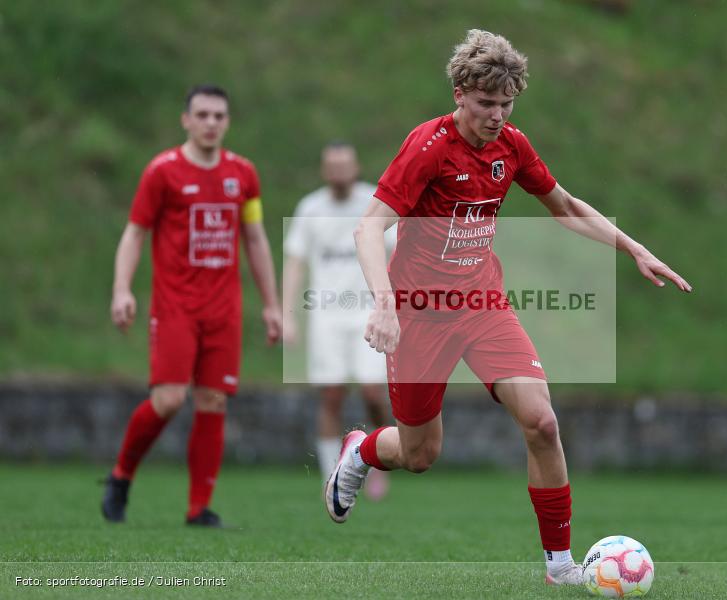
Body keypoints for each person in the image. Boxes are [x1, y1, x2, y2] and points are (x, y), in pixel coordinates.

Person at [324, 30, 691, 585]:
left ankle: (561, 566)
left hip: (482, 304)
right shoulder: (427, 146)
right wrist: (383, 304)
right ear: (459, 94)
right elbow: (369, 226)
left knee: (543, 423)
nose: (497, 115)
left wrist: (634, 248)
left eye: (506, 104)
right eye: (486, 104)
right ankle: (361, 450)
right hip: (419, 313)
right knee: (420, 453)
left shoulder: (512, 146)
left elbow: (565, 207)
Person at [102, 84, 282, 527]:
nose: (210, 123)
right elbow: (135, 232)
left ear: (228, 122)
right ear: (186, 120)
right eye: (201, 115)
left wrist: (272, 304)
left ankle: (198, 507)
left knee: (214, 401)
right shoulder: (162, 172)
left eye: (218, 116)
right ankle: (121, 475)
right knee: (167, 399)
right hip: (175, 306)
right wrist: (122, 289)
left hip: (224, 309)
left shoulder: (243, 174)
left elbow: (255, 238)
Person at [283, 142, 395, 499]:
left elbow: (395, 252)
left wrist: (396, 303)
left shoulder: (372, 201)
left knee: (372, 392)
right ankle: (333, 473)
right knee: (331, 395)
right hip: (326, 316)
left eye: (344, 165)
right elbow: (295, 263)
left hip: (367, 311)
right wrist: (287, 314)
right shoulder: (311, 208)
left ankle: (379, 460)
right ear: (324, 170)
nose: (339, 172)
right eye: (332, 166)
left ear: (356, 166)